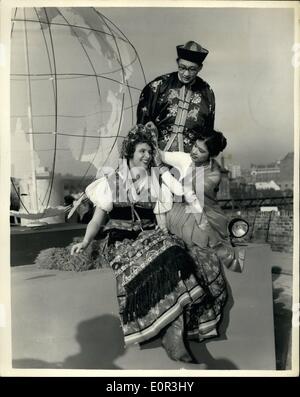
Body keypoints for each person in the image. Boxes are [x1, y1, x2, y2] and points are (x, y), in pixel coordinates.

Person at [70, 124, 209, 363]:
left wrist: (165, 233)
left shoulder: (155, 179)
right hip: (120, 239)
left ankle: (173, 333)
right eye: (142, 151)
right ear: (130, 153)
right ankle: (168, 334)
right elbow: (97, 219)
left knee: (175, 253)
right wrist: (85, 242)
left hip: (148, 234)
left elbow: (159, 215)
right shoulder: (110, 181)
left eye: (149, 152)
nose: (147, 156)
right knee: (148, 265)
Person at [152, 129, 245, 341]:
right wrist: (149, 137)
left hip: (205, 214)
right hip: (185, 210)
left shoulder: (213, 174)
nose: (194, 151)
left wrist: (162, 170)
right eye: (194, 146)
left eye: (201, 151)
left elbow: (184, 193)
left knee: (201, 248)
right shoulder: (187, 157)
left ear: (210, 155)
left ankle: (201, 315)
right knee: (164, 203)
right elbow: (162, 154)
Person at [137, 41, 215, 153]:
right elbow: (141, 127)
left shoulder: (207, 92)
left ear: (200, 68)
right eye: (182, 67)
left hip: (190, 161)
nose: (186, 74)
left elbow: (208, 135)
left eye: (192, 69)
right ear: (177, 62)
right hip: (157, 156)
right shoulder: (158, 86)